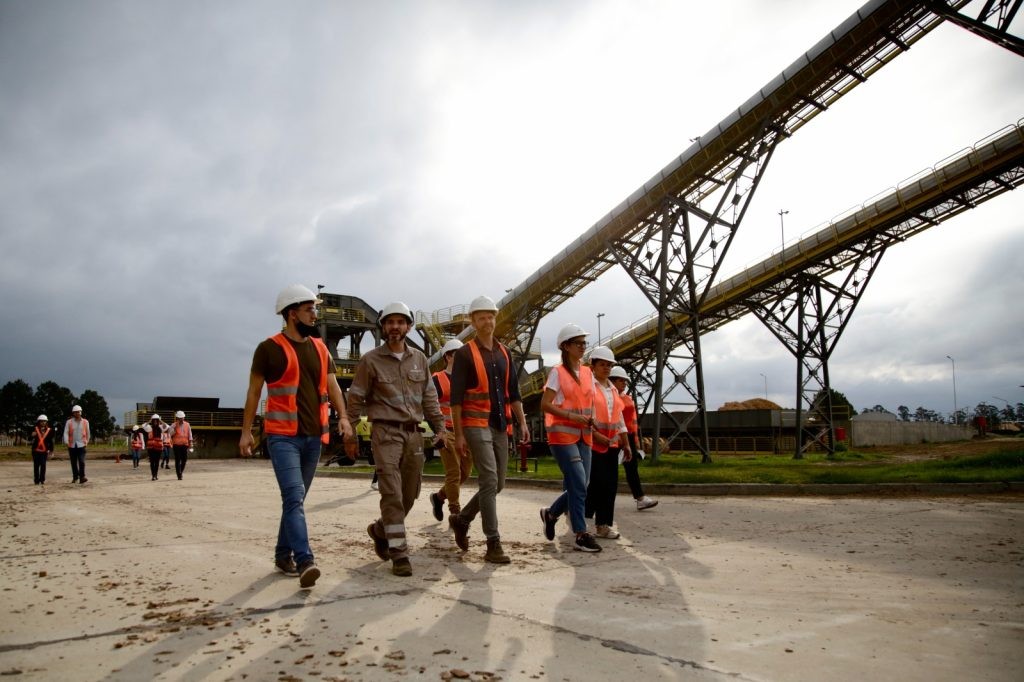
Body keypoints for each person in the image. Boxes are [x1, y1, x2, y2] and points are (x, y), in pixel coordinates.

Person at [240, 284, 354, 589]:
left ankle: (282, 553)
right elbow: (253, 393)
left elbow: (333, 388)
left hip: (314, 437)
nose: (315, 314)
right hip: (282, 437)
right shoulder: (268, 349)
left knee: (296, 499)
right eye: (309, 309)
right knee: (293, 497)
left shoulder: (320, 348)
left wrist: (343, 417)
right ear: (293, 314)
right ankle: (305, 560)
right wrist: (246, 432)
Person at [345, 301, 447, 577]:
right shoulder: (370, 360)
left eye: (400, 322)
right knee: (391, 492)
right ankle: (399, 553)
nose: (395, 327)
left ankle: (380, 531)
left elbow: (429, 396)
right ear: (382, 327)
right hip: (385, 433)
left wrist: (440, 427)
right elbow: (355, 397)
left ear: (408, 326)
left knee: (409, 495)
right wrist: (350, 430)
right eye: (390, 322)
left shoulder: (419, 359)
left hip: (414, 435)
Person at [448, 295, 529, 564]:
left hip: (499, 424)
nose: (487, 321)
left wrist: (523, 423)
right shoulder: (464, 354)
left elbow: (514, 393)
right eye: (481, 317)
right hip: (474, 424)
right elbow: (456, 399)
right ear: (473, 321)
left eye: (491, 316)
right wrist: (458, 434)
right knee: (489, 479)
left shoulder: (505, 353)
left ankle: (462, 519)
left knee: (499, 483)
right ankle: (493, 542)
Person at [539, 324, 601, 552]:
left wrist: (592, 418)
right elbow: (544, 404)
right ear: (565, 346)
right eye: (578, 343)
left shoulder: (587, 372)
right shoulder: (557, 373)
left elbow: (590, 402)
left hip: (584, 435)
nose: (583, 347)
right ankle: (581, 533)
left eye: (584, 343)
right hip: (562, 435)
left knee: (582, 483)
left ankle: (551, 513)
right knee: (577, 481)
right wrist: (571, 416)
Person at [584, 346, 632, 540]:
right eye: (602, 364)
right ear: (593, 366)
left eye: (609, 365)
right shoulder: (588, 388)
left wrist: (626, 443)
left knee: (610, 486)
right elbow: (584, 415)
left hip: (611, 445)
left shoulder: (613, 390)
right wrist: (596, 435)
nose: (606, 368)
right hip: (593, 444)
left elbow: (619, 419)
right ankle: (578, 516)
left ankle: (603, 525)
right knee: (593, 484)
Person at [428, 339, 467, 523]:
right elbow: (430, 407)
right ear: (448, 356)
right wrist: (438, 431)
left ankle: (438, 497)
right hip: (446, 431)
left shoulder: (468, 379)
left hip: (466, 432)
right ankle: (455, 513)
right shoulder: (437, 379)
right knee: (454, 473)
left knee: (465, 474)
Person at [609, 366, 658, 511]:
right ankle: (594, 503)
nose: (624, 383)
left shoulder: (627, 397)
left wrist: (634, 440)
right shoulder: (608, 397)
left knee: (632, 469)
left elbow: (633, 421)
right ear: (612, 381)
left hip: (627, 436)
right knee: (608, 471)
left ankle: (640, 498)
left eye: (625, 381)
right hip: (613, 436)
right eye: (621, 380)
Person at [64, 405, 90, 484]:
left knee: (82, 461)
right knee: (73, 462)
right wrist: (66, 442)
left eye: (78, 412)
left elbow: (88, 433)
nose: (77, 414)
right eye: (75, 412)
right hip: (72, 445)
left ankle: (82, 477)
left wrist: (87, 442)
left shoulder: (85, 422)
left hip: (82, 444)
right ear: (73, 413)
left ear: (80, 412)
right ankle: (75, 477)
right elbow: (66, 432)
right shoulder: (69, 422)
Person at [170, 411, 194, 480]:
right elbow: (170, 434)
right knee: (178, 460)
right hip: (176, 445)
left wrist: (191, 443)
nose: (181, 419)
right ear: (177, 418)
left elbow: (190, 434)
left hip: (184, 444)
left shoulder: (187, 424)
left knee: (184, 460)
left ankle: (180, 472)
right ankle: (179, 475)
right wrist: (174, 429)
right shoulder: (174, 425)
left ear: (184, 417)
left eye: (182, 418)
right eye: (179, 418)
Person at [31, 415, 54, 485]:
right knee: (36, 466)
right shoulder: (34, 429)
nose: (43, 422)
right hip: (35, 451)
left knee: (43, 465)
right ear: (39, 422)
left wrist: (51, 450)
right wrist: (32, 435)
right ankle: (36, 480)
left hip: (44, 451)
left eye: (44, 421)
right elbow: (29, 439)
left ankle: (42, 479)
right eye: (41, 421)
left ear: (46, 422)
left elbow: (51, 441)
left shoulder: (50, 430)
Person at [143, 415, 167, 481]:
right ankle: (153, 475)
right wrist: (150, 420)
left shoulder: (161, 428)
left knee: (156, 462)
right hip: (151, 447)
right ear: (152, 422)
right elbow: (143, 426)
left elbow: (166, 426)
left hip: (158, 447)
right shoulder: (149, 428)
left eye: (157, 421)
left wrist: (160, 420)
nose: (155, 422)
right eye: (154, 421)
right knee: (152, 462)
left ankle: (155, 475)